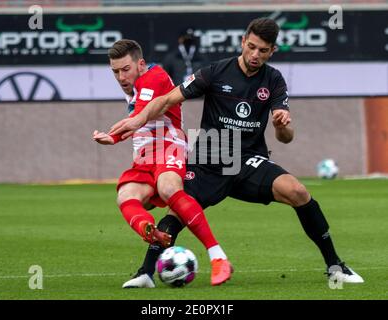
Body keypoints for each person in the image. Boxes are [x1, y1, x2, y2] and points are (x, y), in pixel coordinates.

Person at [108, 18, 364, 288]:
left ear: (272, 51)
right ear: (243, 42)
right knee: (177, 210)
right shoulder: (215, 72)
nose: (255, 55)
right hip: (210, 154)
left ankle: (336, 266)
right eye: (251, 47)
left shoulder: (274, 80)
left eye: (262, 50)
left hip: (248, 159)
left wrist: (281, 125)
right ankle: (146, 273)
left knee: (298, 192)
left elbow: (286, 138)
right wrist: (138, 120)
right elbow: (168, 99)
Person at [92, 39, 232, 288]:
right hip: (144, 155)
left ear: (141, 64)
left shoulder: (154, 77)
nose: (120, 76)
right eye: (115, 71)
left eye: (125, 69)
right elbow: (138, 119)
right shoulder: (133, 84)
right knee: (126, 196)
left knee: (169, 188)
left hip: (169, 145)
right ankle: (151, 234)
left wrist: (113, 136)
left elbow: (141, 114)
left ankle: (217, 256)